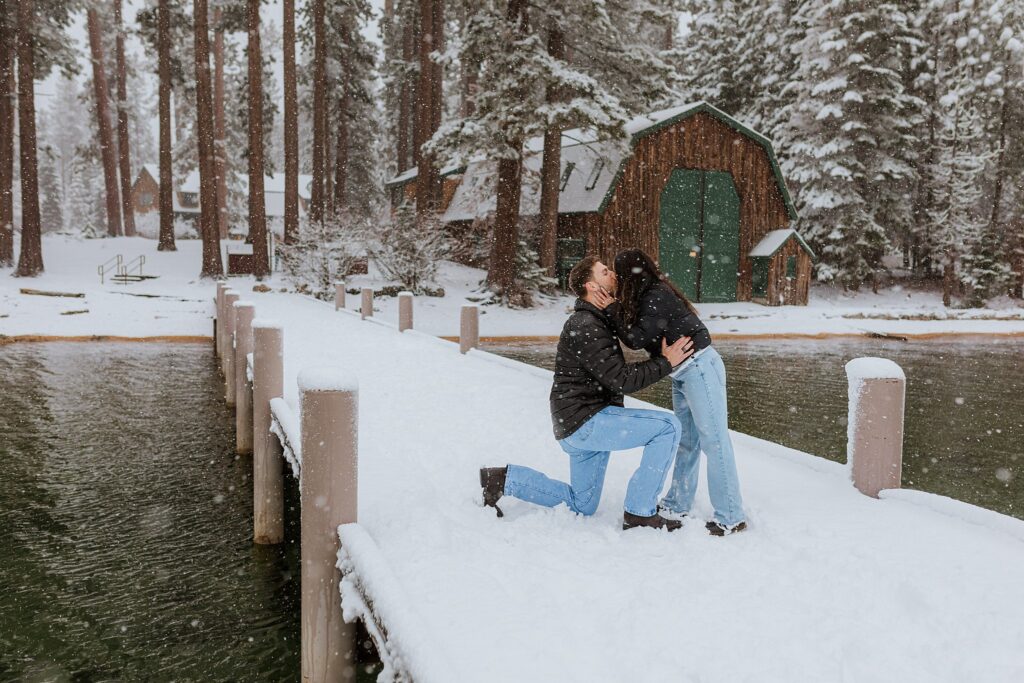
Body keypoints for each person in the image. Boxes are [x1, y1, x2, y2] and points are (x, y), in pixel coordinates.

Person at [479, 256, 694, 531]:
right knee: (668, 427)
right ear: (593, 287)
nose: (613, 274)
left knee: (582, 505)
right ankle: (639, 512)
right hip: (587, 422)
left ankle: (502, 480)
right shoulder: (586, 325)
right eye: (606, 272)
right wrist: (667, 362)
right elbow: (622, 379)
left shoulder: (594, 320)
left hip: (577, 424)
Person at [603, 248, 747, 536]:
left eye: (617, 273)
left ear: (630, 274)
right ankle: (677, 503)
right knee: (687, 441)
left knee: (714, 441)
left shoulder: (654, 295)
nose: (616, 278)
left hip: (700, 367)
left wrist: (611, 310)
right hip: (683, 373)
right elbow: (637, 333)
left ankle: (731, 516)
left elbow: (635, 338)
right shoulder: (646, 295)